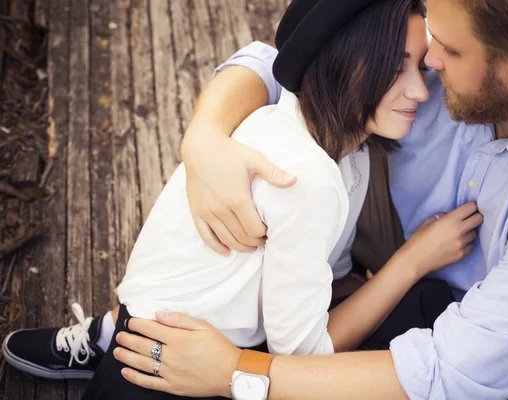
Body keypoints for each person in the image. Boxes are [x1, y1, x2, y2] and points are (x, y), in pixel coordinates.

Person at [104, 0, 508, 399]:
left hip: (465, 324)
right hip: (363, 235)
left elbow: (445, 373)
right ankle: (139, 328)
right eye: (430, 35)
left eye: (446, 49)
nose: (429, 64)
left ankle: (143, 335)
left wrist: (235, 372)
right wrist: (204, 140)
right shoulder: (440, 40)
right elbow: (284, 60)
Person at [3, 0, 482, 399]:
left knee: (422, 305)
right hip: (162, 373)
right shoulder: (308, 175)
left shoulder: (334, 145)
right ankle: (108, 339)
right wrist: (411, 260)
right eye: (397, 68)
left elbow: (323, 275)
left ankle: (110, 335)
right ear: (347, 61)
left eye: (419, 66)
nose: (421, 90)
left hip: (175, 336)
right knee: (419, 303)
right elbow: (301, 356)